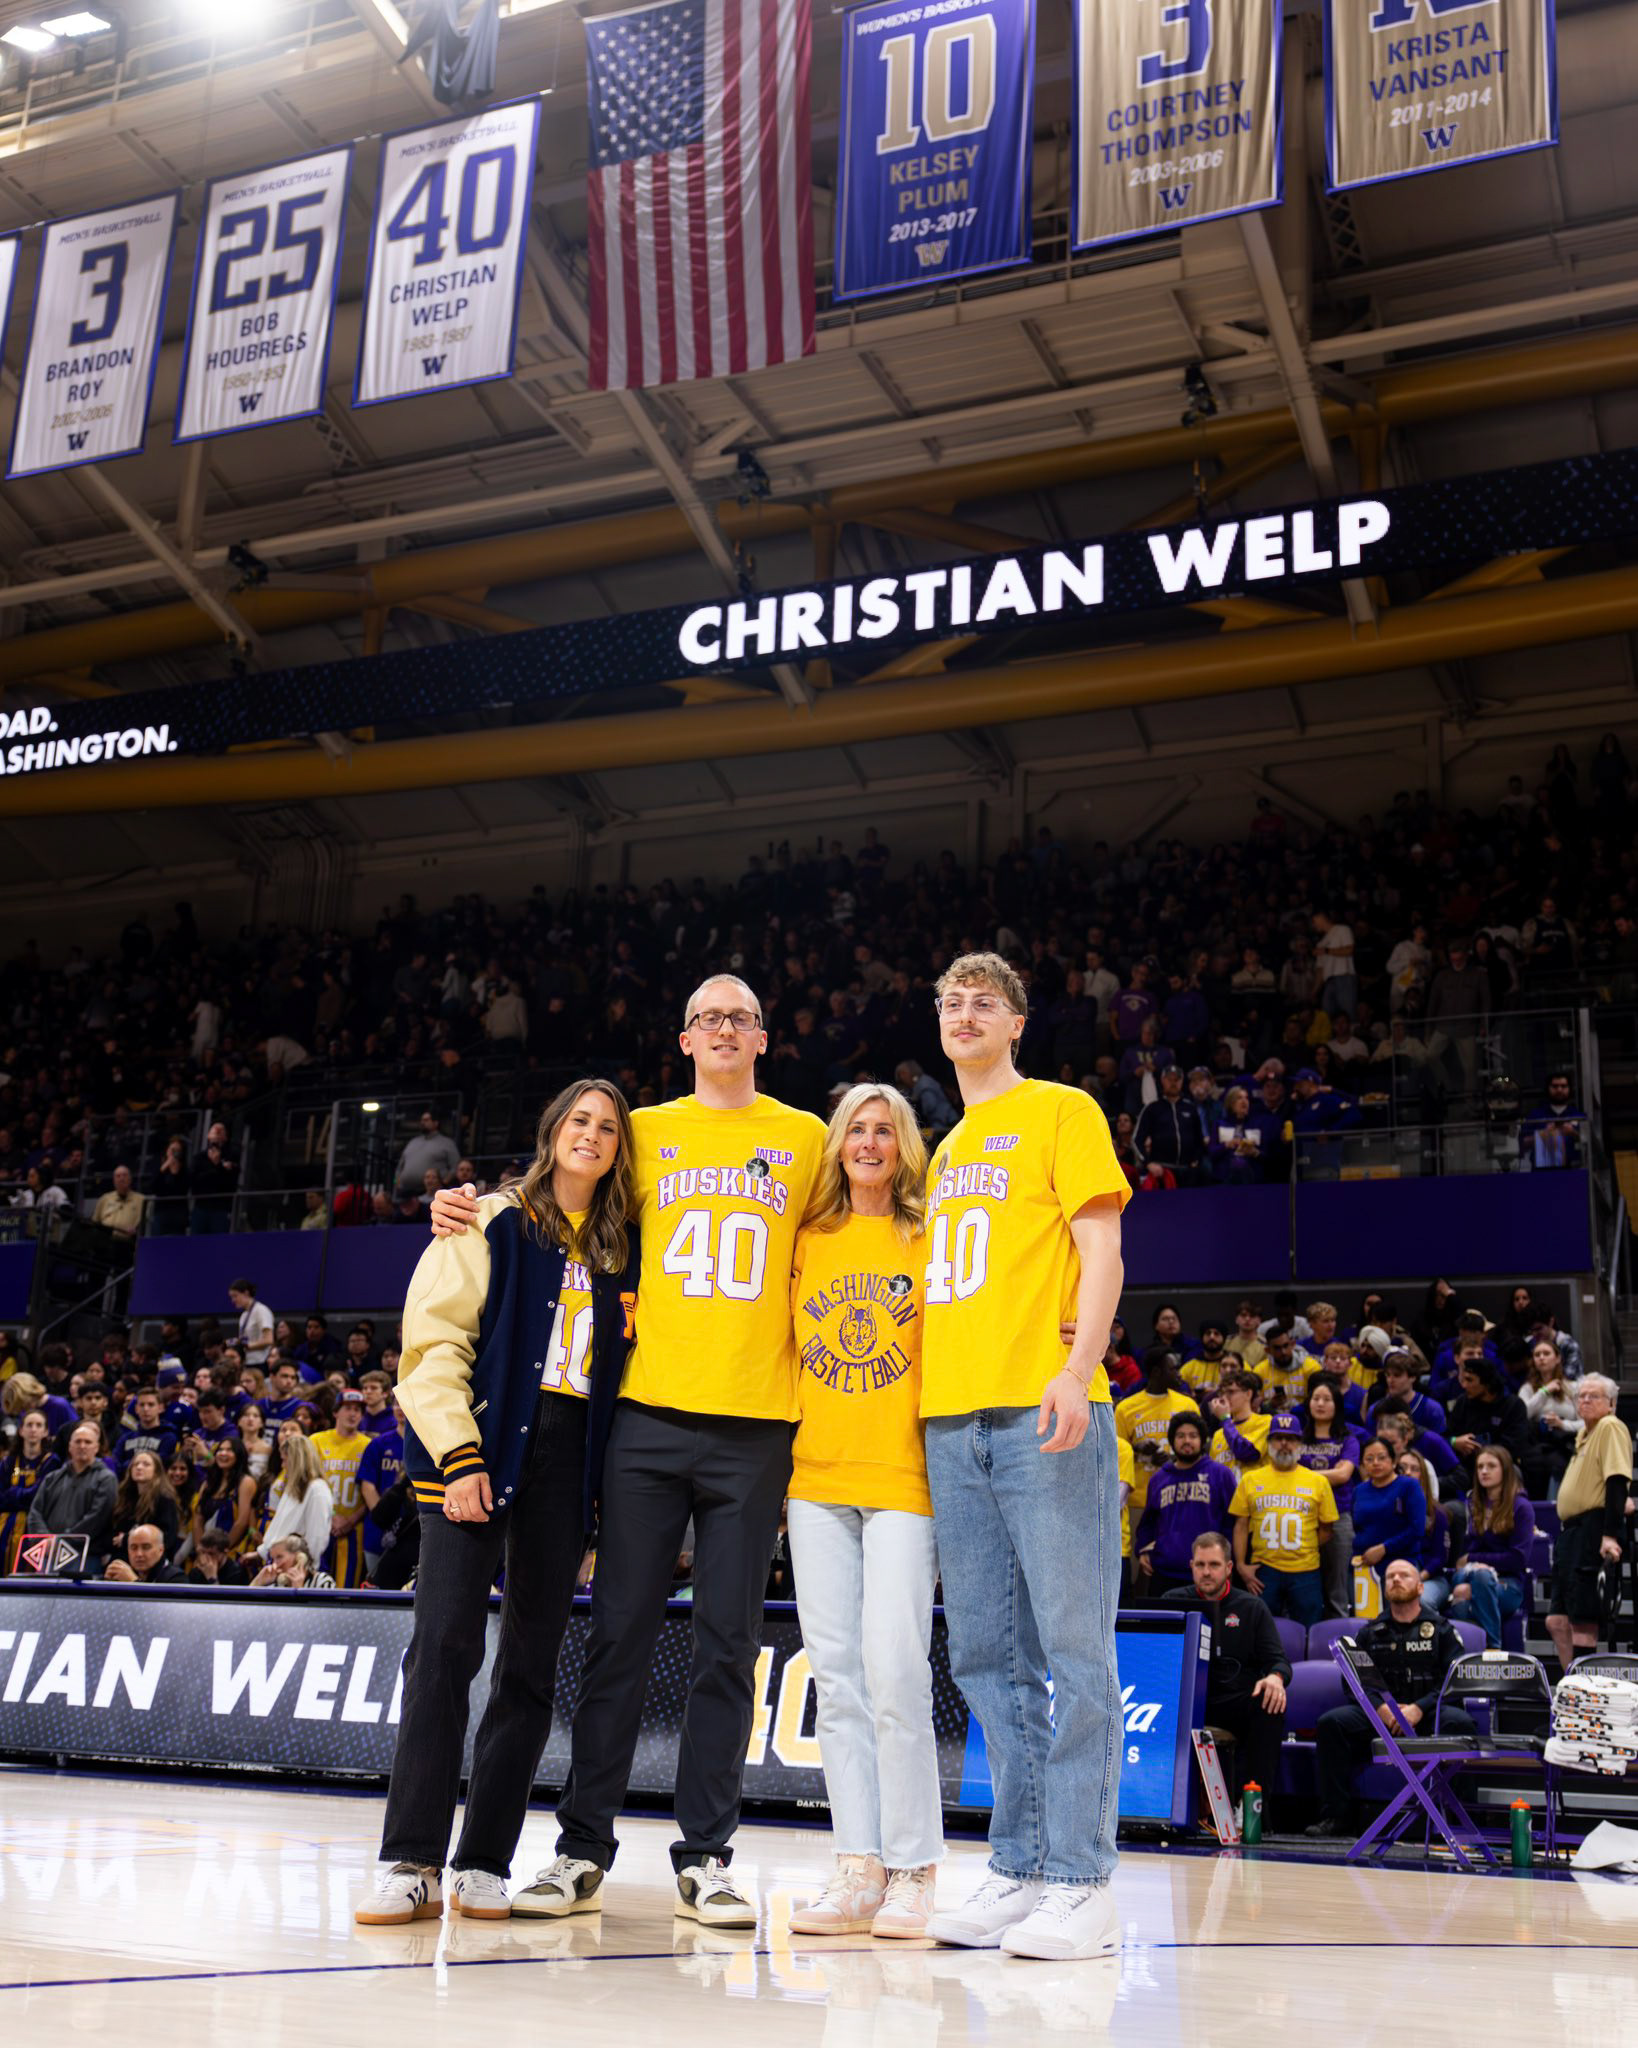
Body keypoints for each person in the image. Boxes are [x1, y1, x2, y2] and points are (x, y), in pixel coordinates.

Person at [432, 980, 825, 1929]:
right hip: (644, 1418)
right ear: (685, 1038)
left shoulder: (807, 1136)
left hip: (756, 1424)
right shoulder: (643, 1132)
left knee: (729, 1648)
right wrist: (474, 1204)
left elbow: (861, 1225)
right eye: (707, 1018)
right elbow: (563, 1194)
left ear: (763, 1037)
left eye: (740, 1017)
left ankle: (708, 1857)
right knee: (618, 1637)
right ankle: (581, 1849)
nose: (723, 1028)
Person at [357, 1079, 641, 1928]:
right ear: (552, 1132)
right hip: (473, 1446)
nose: (592, 1135)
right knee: (443, 1648)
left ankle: (483, 1860)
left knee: (529, 1666)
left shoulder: (626, 1247)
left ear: (621, 1149)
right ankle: (411, 1858)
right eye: (579, 1120)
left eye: (608, 1127)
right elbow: (433, 1345)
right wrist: (461, 1454)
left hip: (569, 1459)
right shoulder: (485, 1219)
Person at [914, 951, 1128, 1962]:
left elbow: (1102, 1249)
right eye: (951, 1002)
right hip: (952, 1419)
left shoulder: (1060, 1110)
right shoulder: (946, 1148)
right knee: (987, 1657)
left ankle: (1084, 1881)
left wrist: (1079, 1369)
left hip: (1045, 1409)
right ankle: (1022, 1862)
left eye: (983, 1002)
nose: (964, 1013)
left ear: (1016, 1022)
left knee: (1076, 1651)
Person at [784, 1083, 942, 1941]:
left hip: (904, 1481)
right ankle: (859, 1866)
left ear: (903, 1144)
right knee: (837, 1678)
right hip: (814, 1480)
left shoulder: (928, 1232)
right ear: (838, 1144)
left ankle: (915, 1870)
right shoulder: (807, 1237)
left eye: (885, 1130)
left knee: (897, 1670)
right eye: (856, 1130)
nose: (870, 1143)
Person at [1306, 1556, 1476, 1838]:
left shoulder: (1442, 1630)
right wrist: (1380, 1709)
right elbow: (1353, 1681)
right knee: (1332, 1724)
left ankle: (1459, 1823)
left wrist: (1419, 1708)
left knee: (1460, 1724)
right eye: (1390, 1576)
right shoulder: (1369, 1632)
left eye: (1404, 1575)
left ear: (1420, 1587)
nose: (1396, 1579)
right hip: (1381, 1717)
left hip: (1428, 1714)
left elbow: (1454, 1680)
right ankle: (1336, 1817)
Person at [1161, 1532, 1289, 1822]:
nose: (1207, 1572)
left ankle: (1254, 1813)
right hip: (1184, 1700)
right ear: (1191, 1566)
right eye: (1200, 1565)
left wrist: (1275, 1677)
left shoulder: (1252, 1607)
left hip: (1232, 1701)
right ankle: (1154, 1807)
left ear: (1229, 1568)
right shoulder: (1172, 1601)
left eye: (1214, 1565)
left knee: (1270, 1705)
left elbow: (1278, 1660)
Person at [1545, 1375, 1633, 1670]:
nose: (1584, 1400)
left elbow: (1617, 1478)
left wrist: (1610, 1535)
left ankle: (1585, 1689)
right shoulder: (1585, 1433)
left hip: (1592, 1530)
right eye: (1581, 1396)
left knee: (1583, 1621)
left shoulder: (1610, 1426)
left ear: (1611, 1403)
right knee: (1556, 1620)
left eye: (1593, 1396)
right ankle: (1571, 1683)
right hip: (1571, 1532)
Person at [1229, 1413, 1337, 1626]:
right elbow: (1240, 1525)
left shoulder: (1318, 1481)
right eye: (1278, 1438)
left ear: (1300, 1444)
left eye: (1291, 1438)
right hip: (1263, 1570)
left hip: (1306, 1571)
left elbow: (1327, 1529)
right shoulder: (1250, 1480)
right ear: (1269, 1443)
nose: (1284, 1444)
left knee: (1309, 1630)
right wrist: (1241, 1565)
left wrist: (1304, 1546)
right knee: (1261, 1630)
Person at [1134, 1413, 1236, 1596]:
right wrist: (1143, 1549)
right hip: (1165, 1572)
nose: (1187, 1441)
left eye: (1193, 1436)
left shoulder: (1221, 1474)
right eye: (1180, 1436)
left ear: (1202, 1440)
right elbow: (1148, 1522)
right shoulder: (1159, 1478)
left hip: (1209, 1574)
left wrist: (1229, 1560)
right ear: (1172, 1441)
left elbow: (1232, 1523)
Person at [1115, 1346, 1202, 1551]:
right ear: (1156, 1372)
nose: (1179, 1374)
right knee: (1139, 1560)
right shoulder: (1126, 1408)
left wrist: (1176, 1459)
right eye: (1173, 1369)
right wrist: (1137, 1449)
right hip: (1139, 1499)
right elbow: (1116, 1456)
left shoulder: (1188, 1405)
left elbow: (1201, 1451)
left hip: (1180, 1495)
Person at [1448, 1447, 1536, 1649]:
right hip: (1468, 1574)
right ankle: (1486, 1650)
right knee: (1469, 1582)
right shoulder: (1472, 1504)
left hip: (1508, 1583)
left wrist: (1475, 1560)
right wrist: (1473, 1563)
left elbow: (1518, 1559)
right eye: (1480, 1467)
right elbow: (1461, 1556)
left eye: (1491, 1466)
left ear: (1505, 1470)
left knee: (1465, 1592)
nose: (1484, 1471)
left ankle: (1485, 1648)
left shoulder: (1521, 1507)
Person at [1296, 1380, 1360, 1619]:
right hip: (1302, 1517)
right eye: (1316, 1398)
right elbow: (1287, 1474)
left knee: (1337, 1586)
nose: (1320, 1404)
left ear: (1337, 1405)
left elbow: (1343, 1475)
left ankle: (1339, 1631)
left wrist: (1304, 1475)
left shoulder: (1348, 1440)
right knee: (1303, 1583)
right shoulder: (1298, 1439)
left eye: (1327, 1399)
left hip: (1338, 1516)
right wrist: (1328, 1474)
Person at [25, 1422, 116, 1564]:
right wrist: (45, 1539)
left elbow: (97, 1518)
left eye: (88, 1442)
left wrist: (61, 1541)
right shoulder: (52, 1478)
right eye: (78, 1441)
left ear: (96, 1447)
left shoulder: (106, 1479)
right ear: (69, 1447)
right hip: (48, 1555)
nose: (82, 1446)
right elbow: (35, 1512)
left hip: (85, 1556)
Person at [1350, 1437, 1427, 1603]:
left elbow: (1417, 1529)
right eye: (1369, 1459)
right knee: (1364, 1617)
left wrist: (1384, 1549)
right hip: (1364, 1564)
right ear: (1362, 1465)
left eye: (1381, 1457)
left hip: (1400, 1561)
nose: (1375, 1463)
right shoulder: (1359, 1491)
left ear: (1393, 1461)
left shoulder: (1409, 1486)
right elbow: (1356, 1527)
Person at [311, 1389, 372, 1587]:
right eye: (347, 1408)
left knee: (347, 1587)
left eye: (357, 1410)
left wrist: (351, 1519)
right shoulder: (316, 1441)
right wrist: (330, 1516)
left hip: (354, 1527)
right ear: (335, 1412)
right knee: (315, 1584)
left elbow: (372, 1490)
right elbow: (308, 1483)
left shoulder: (369, 1445)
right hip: (319, 1522)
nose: (353, 1414)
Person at [258, 1429, 335, 1565]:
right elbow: (280, 1529)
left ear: (296, 1461)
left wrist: (303, 1567)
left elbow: (316, 1538)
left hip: (297, 1567)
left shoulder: (317, 1490)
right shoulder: (293, 1487)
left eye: (284, 1460)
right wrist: (262, 1553)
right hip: (279, 1562)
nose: (282, 1466)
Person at [0, 1409, 57, 1570]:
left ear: (45, 1432)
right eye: (29, 1425)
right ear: (21, 1430)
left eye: (38, 1425)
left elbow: (40, 1496)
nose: (33, 1429)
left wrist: (13, 1493)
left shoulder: (52, 1461)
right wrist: (24, 1496)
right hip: (4, 1527)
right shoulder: (8, 1461)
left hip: (34, 1527)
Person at [1520, 1338, 1578, 1497]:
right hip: (1536, 1444)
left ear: (1558, 1358)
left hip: (1566, 1443)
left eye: (1546, 1353)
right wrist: (1544, 1391)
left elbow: (1584, 1422)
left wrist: (1562, 1424)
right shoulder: (1527, 1388)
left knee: (1557, 1463)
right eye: (1537, 1354)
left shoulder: (1573, 1387)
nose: (1541, 1358)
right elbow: (1522, 1414)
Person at [109, 1449, 182, 1565]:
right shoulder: (125, 1497)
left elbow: (166, 1537)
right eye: (135, 1464)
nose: (139, 1467)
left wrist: (127, 1538)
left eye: (146, 1464)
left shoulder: (164, 1499)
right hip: (123, 1559)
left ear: (156, 1471)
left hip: (152, 1564)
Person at [1209, 1370, 1271, 1471]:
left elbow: (1245, 1452)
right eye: (1222, 1393)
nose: (1224, 1398)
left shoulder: (1265, 1422)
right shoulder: (1218, 1435)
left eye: (1230, 1392)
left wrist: (1225, 1419)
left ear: (1248, 1394)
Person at [104, 1522, 184, 1584]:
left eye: (146, 1547)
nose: (139, 1554)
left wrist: (134, 1582)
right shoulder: (123, 1573)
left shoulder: (177, 1578)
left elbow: (156, 1601)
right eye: (133, 1548)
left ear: (161, 1550)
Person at [250, 1534, 336, 1589]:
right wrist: (257, 1583)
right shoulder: (277, 1584)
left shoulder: (323, 1581)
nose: (275, 1564)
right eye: (273, 1559)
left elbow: (323, 1612)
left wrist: (299, 1590)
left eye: (279, 1557)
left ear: (300, 1557)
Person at [229, 1278, 275, 1368]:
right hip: (248, 1361)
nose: (233, 1300)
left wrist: (247, 1346)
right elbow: (244, 1339)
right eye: (231, 1297)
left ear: (246, 1293)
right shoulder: (244, 1315)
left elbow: (268, 1340)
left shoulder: (261, 1311)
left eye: (235, 1296)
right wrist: (230, 1342)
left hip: (260, 1362)